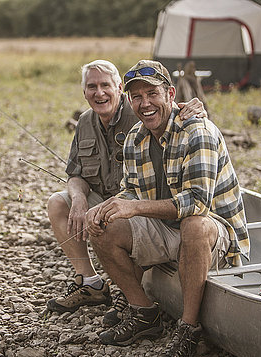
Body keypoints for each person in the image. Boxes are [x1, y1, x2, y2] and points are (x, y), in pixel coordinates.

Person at [85, 60, 249, 357]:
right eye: (136, 97)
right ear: (128, 100)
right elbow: (131, 190)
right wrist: (105, 207)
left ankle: (188, 330)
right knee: (104, 228)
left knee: (194, 225)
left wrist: (135, 208)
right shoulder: (135, 137)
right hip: (166, 229)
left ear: (170, 93)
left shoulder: (198, 132)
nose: (145, 103)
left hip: (214, 236)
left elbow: (198, 202)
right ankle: (144, 312)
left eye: (152, 94)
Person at [46, 60, 207, 327]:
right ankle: (91, 283)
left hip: (147, 204)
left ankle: (132, 293)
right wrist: (78, 198)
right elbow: (75, 174)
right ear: (84, 92)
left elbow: (177, 118)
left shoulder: (142, 114)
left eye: (105, 86)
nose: (99, 93)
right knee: (58, 203)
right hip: (120, 198)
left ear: (119, 89)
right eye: (92, 87)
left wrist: (195, 109)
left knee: (128, 221)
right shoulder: (85, 122)